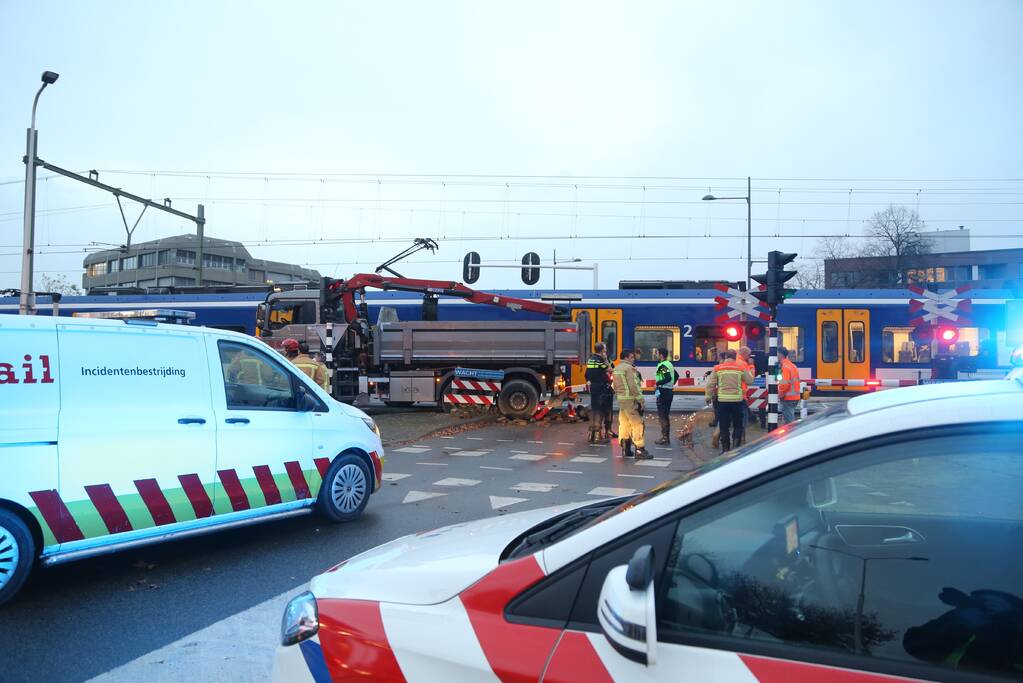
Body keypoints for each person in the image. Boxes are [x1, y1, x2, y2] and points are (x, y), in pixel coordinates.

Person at [705, 349, 754, 452]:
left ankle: (725, 449)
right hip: (737, 401)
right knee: (737, 425)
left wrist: (708, 397)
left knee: (724, 426)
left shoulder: (718, 368)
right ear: (735, 356)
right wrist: (750, 367)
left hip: (723, 401)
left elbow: (711, 385)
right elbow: (750, 381)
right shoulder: (740, 367)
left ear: (726, 356)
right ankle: (736, 446)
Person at [612, 349, 651, 459]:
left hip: (621, 400)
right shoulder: (629, 369)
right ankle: (640, 450)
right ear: (626, 358)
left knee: (624, 423)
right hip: (630, 400)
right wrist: (641, 400)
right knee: (638, 424)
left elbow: (613, 386)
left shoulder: (616, 368)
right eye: (632, 357)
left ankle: (626, 448)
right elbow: (633, 386)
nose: (634, 359)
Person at [584, 342, 612, 445]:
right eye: (604, 349)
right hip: (601, 387)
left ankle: (591, 435)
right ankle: (597, 436)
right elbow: (610, 369)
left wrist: (589, 381)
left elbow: (586, 374)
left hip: (594, 387)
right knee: (600, 411)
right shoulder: (601, 360)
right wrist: (605, 358)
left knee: (594, 410)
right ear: (602, 350)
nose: (606, 350)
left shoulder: (591, 359)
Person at [653, 347, 676, 445]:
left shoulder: (663, 366)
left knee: (662, 416)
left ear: (661, 355)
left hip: (663, 392)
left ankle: (665, 438)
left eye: (657, 353)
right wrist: (671, 385)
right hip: (668, 391)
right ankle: (666, 437)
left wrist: (658, 383)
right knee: (665, 415)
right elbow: (676, 375)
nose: (656, 355)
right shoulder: (668, 364)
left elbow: (667, 378)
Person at [778, 346, 802, 424]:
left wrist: (780, 394)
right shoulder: (792, 365)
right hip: (795, 396)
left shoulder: (785, 367)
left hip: (788, 397)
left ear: (780, 355)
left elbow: (784, 384)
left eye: (776, 354)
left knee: (789, 422)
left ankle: (792, 435)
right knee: (790, 418)